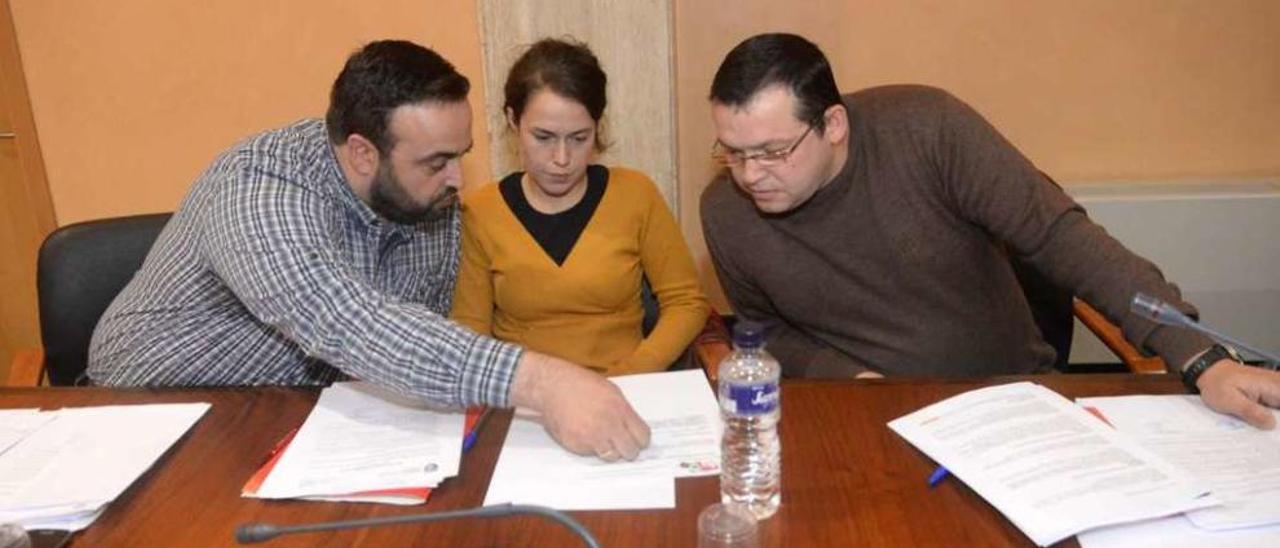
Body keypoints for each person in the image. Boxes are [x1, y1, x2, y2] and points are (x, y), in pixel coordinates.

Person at [88, 40, 649, 461]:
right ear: (362, 154)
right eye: (436, 162)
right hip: (143, 418)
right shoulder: (257, 187)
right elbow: (344, 318)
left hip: (300, 424)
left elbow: (420, 333)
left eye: (462, 154)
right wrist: (543, 381)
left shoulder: (432, 206)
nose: (458, 179)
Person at [699, 33, 1280, 428]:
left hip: (1015, 400)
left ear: (833, 124)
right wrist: (852, 380)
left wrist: (1201, 357)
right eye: (733, 153)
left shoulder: (928, 130)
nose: (751, 176)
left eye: (773, 151)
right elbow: (764, 329)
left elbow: (1064, 239)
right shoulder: (725, 211)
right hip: (873, 416)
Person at [450, 38, 708, 376]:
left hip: (625, 387)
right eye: (543, 137)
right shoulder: (481, 212)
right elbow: (470, 331)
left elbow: (686, 303)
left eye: (579, 138)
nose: (562, 159)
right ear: (513, 121)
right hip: (527, 398)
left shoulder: (635, 194)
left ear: (597, 126)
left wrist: (633, 374)